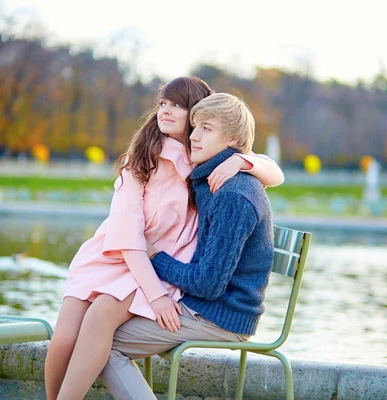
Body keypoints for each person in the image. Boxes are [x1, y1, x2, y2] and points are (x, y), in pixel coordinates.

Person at [45, 77, 283, 400]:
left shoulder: (223, 183)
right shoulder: (197, 170)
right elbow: (133, 239)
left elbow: (210, 281)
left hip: (212, 307)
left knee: (101, 336)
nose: (196, 135)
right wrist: (240, 159)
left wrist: (243, 159)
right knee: (80, 335)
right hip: (128, 264)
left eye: (204, 128)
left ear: (229, 140)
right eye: (163, 104)